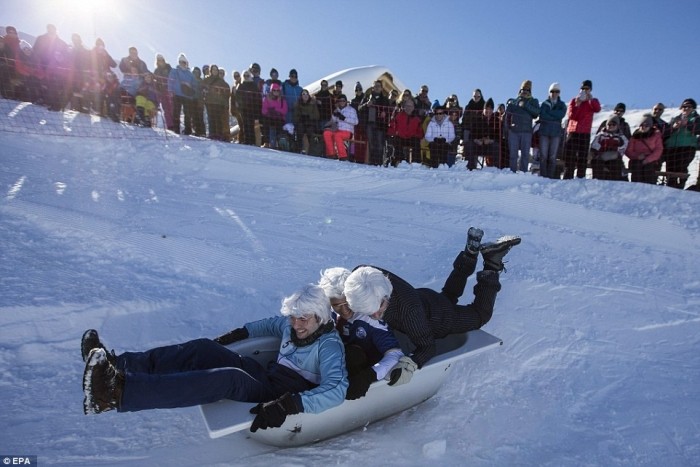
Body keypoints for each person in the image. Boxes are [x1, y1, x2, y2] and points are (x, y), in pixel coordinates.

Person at [81, 284, 347, 433]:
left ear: (320, 317)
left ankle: (115, 394)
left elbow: (337, 389)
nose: (296, 324)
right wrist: (231, 338)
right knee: (202, 348)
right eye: (293, 316)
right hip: (265, 374)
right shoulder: (289, 325)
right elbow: (265, 326)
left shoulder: (329, 347)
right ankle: (116, 365)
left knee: (228, 379)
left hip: (281, 394)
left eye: (303, 318)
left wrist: (289, 405)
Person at [343, 228, 520, 380]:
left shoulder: (409, 313)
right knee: (449, 295)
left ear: (385, 296)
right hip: (424, 298)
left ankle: (491, 262)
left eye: (377, 310)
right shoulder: (363, 275)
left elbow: (427, 346)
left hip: (438, 319)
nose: (374, 316)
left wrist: (410, 365)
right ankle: (470, 254)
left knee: (480, 315)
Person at [318, 268, 403, 400]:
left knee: (353, 354)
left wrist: (370, 375)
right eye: (337, 305)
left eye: (347, 303)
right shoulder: (326, 312)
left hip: (365, 368)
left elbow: (395, 354)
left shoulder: (369, 317)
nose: (344, 310)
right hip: (337, 363)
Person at [562, 80, 601, 179]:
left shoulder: (593, 101)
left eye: (587, 89)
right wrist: (577, 104)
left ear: (590, 90)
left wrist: (590, 100)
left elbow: (597, 109)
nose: (584, 90)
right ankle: (567, 176)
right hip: (573, 131)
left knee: (582, 157)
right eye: (583, 88)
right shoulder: (574, 100)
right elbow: (572, 115)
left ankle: (580, 178)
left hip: (585, 132)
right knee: (570, 155)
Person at [663, 98, 700, 189]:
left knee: (681, 167)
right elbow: (666, 133)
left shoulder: (696, 118)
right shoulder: (675, 118)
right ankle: (670, 187)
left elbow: (697, 130)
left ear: (693, 108)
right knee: (670, 168)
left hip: (687, 147)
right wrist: (674, 128)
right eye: (684, 106)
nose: (686, 108)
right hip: (671, 147)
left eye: (689, 106)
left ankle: (680, 185)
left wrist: (687, 124)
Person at [505, 80, 540, 172]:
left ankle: (523, 173)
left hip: (526, 132)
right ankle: (512, 172)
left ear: (530, 91)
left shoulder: (533, 101)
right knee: (513, 154)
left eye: (527, 90)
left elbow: (536, 113)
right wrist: (508, 129)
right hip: (513, 131)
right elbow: (507, 116)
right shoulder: (513, 101)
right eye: (523, 89)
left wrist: (526, 105)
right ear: (520, 90)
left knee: (525, 155)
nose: (524, 91)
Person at [537, 82, 567, 178]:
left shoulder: (562, 104)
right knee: (543, 156)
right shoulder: (544, 104)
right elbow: (542, 115)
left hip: (556, 133)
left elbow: (561, 114)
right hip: (544, 132)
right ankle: (543, 176)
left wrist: (549, 114)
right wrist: (554, 116)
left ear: (559, 93)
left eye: (556, 91)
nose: (554, 93)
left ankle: (550, 177)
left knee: (552, 156)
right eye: (552, 91)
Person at [359, 80, 390, 165]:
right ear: (372, 88)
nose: (377, 87)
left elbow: (389, 111)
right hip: (369, 124)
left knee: (380, 144)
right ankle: (371, 162)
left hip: (380, 125)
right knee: (371, 144)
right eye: (375, 86)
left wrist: (385, 113)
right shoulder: (366, 98)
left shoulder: (385, 99)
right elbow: (359, 108)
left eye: (378, 86)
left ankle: (379, 163)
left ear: (381, 88)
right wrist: (366, 105)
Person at [625, 114, 663, 184]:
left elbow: (658, 150)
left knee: (649, 170)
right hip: (637, 160)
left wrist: (648, 159)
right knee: (636, 169)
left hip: (651, 160)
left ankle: (649, 189)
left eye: (646, 125)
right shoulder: (635, 136)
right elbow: (628, 151)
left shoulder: (656, 135)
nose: (644, 127)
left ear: (650, 126)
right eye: (642, 125)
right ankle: (636, 188)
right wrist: (637, 156)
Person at [589, 116, 628, 181]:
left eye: (613, 124)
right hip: (601, 157)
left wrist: (615, 152)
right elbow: (594, 146)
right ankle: (597, 181)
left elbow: (623, 147)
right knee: (596, 162)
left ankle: (614, 183)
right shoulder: (601, 135)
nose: (611, 126)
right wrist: (600, 153)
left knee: (616, 164)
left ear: (617, 126)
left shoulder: (621, 137)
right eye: (609, 124)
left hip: (614, 158)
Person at [386, 97, 424, 166]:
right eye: (407, 106)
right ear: (404, 106)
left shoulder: (417, 118)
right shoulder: (398, 115)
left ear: (413, 107)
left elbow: (420, 131)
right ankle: (399, 161)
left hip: (411, 138)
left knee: (416, 142)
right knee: (397, 141)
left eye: (411, 106)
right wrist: (394, 133)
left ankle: (416, 163)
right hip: (400, 137)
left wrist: (417, 136)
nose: (409, 108)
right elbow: (391, 126)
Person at [323, 94, 358, 160]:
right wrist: (334, 115)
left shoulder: (351, 110)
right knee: (326, 133)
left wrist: (344, 118)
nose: (342, 102)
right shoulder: (337, 110)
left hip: (348, 131)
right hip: (337, 129)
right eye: (340, 100)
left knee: (337, 135)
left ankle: (343, 156)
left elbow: (356, 122)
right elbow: (332, 121)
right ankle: (331, 154)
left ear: (346, 101)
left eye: (343, 100)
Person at [467, 98, 501, 168]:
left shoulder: (497, 121)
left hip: (490, 146)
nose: (488, 110)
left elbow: (499, 136)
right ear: (483, 109)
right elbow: (471, 134)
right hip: (478, 145)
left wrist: (490, 140)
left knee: (497, 145)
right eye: (486, 108)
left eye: (490, 109)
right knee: (470, 144)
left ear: (493, 110)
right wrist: (477, 140)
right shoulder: (477, 119)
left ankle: (495, 168)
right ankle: (471, 167)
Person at [168, 53, 195, 135]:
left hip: (187, 96)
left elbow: (194, 85)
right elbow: (170, 80)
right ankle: (176, 129)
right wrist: (170, 90)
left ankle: (188, 130)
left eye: (184, 62)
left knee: (188, 113)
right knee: (176, 112)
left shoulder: (190, 74)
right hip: (177, 94)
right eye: (181, 61)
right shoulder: (174, 71)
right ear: (179, 62)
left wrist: (191, 92)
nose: (182, 63)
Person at [202, 64, 231, 141]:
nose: (215, 71)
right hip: (209, 102)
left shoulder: (222, 82)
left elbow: (227, 94)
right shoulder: (207, 80)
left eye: (216, 69)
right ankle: (212, 134)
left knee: (218, 119)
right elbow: (202, 88)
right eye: (213, 69)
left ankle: (219, 134)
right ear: (211, 70)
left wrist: (225, 103)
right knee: (211, 118)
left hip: (219, 103)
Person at [423, 103, 455, 168]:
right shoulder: (431, 123)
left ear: (443, 114)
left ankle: (443, 165)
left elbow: (452, 136)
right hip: (434, 142)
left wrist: (446, 139)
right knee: (433, 146)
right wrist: (434, 139)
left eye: (440, 113)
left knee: (444, 146)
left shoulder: (449, 123)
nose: (438, 115)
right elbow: (427, 135)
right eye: (437, 113)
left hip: (445, 143)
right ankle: (433, 166)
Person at [237, 69, 262, 145]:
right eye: (244, 75)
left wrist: (257, 110)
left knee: (251, 125)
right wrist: (240, 107)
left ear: (250, 76)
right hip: (244, 109)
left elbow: (258, 98)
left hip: (252, 109)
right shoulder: (240, 85)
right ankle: (246, 141)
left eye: (247, 75)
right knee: (245, 125)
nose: (246, 77)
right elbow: (237, 97)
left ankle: (252, 141)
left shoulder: (253, 85)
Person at [261, 82, 288, 149]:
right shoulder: (267, 98)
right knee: (267, 125)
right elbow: (264, 109)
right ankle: (268, 142)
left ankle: (279, 143)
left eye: (277, 90)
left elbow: (285, 110)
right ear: (271, 90)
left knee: (279, 127)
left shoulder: (282, 100)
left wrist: (276, 109)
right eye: (274, 90)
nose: (276, 91)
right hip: (269, 117)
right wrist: (269, 111)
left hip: (279, 118)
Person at [293, 89, 320, 154]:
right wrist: (300, 118)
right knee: (300, 131)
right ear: (301, 96)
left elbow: (317, 115)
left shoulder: (312, 103)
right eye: (303, 94)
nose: (305, 95)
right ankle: (299, 149)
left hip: (310, 123)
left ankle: (310, 151)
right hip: (301, 123)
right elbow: (295, 115)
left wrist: (309, 116)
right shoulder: (298, 104)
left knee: (310, 132)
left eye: (306, 94)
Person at [153, 54, 174, 131]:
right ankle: (170, 125)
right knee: (166, 108)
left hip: (169, 90)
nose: (160, 61)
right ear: (157, 61)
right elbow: (154, 80)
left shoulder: (168, 68)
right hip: (161, 91)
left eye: (161, 59)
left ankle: (175, 123)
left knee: (172, 107)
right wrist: (157, 87)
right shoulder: (156, 70)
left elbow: (172, 76)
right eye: (159, 60)